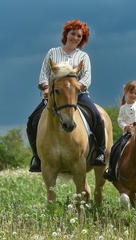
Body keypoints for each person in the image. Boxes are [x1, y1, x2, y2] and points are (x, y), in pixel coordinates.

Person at [27, 19, 106, 172]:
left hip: (78, 95)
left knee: (97, 116)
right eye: (73, 34)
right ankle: (37, 158)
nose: (75, 38)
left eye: (79, 36)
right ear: (66, 34)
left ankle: (100, 153)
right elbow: (44, 74)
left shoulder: (83, 57)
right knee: (31, 122)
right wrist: (45, 87)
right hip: (55, 96)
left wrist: (75, 89)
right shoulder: (52, 52)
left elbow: (86, 78)